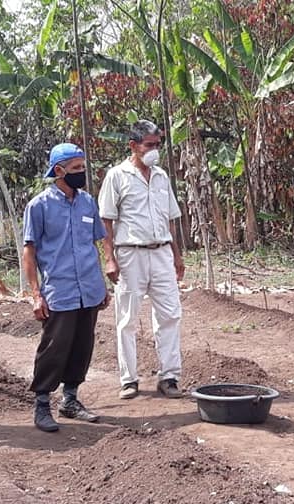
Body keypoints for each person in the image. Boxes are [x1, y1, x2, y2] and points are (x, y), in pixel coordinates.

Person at [23, 143, 110, 432]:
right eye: (76, 168)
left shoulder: (87, 202)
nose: (82, 172)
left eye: (83, 167)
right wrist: (36, 294)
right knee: (54, 348)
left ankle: (70, 400)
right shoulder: (39, 206)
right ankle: (42, 405)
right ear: (58, 171)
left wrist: (101, 285)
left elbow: (94, 243)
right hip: (59, 291)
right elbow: (29, 252)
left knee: (82, 346)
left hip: (89, 289)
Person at [98, 120, 185, 400]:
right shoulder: (117, 176)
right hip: (130, 253)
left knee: (170, 314)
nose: (155, 150)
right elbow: (106, 220)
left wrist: (176, 255)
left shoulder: (161, 176)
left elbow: (170, 219)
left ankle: (169, 376)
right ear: (133, 146)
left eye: (158, 145)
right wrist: (110, 258)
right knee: (127, 319)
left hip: (161, 252)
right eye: (149, 145)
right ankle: (129, 380)